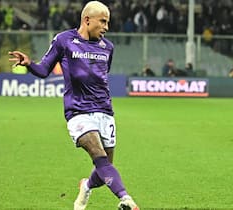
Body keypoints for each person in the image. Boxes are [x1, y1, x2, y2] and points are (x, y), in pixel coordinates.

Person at [8, 1, 139, 210]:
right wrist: (29, 64)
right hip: (78, 111)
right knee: (101, 159)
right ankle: (126, 200)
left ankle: (86, 186)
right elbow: (44, 70)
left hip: (105, 110)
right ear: (87, 20)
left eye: (108, 22)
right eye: (103, 21)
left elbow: (101, 78)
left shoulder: (108, 47)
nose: (106, 27)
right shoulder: (64, 40)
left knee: (105, 167)